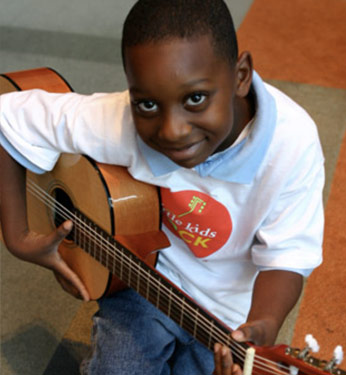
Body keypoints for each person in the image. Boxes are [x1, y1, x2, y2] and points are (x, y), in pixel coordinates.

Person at [0, 0, 325, 374]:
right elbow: (9, 116)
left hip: (227, 316)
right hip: (141, 279)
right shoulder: (118, 120)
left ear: (241, 75)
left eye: (196, 99)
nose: (172, 130)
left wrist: (262, 326)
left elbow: (288, 256)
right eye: (148, 104)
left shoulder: (291, 143)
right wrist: (19, 237)